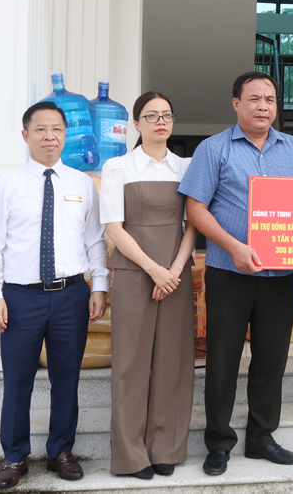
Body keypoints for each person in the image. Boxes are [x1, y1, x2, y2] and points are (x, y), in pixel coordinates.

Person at [180, 72, 293, 477]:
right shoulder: (213, 149)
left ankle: (261, 438)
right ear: (236, 103)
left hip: (280, 277)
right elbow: (195, 209)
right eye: (254, 98)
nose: (263, 106)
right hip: (229, 273)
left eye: (270, 99)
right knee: (222, 360)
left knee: (271, 360)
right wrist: (234, 247)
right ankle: (219, 442)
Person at [0, 102, 108, 490]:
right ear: (26, 135)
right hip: (21, 298)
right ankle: (15, 456)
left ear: (65, 135)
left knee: (66, 379)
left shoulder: (83, 184)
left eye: (57, 129)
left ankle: (61, 452)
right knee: (18, 380)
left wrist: (99, 286)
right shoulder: (5, 186)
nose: (49, 136)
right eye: (40, 129)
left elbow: (95, 240)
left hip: (71, 295)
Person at [102, 92, 198, 479]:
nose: (160, 121)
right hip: (133, 272)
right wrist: (153, 270)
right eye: (151, 115)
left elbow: (193, 225)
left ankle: (166, 448)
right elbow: (113, 228)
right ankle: (131, 456)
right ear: (136, 124)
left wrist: (173, 270)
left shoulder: (187, 167)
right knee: (131, 363)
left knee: (174, 362)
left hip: (176, 273)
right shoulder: (118, 167)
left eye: (167, 115)